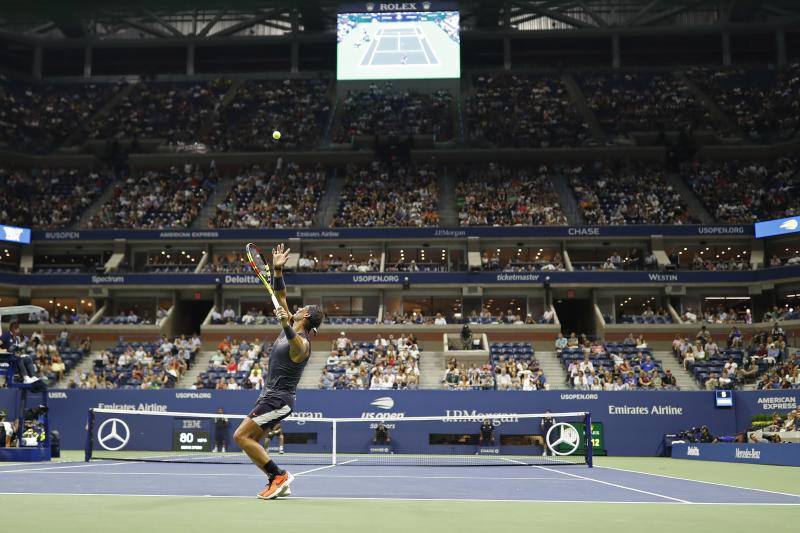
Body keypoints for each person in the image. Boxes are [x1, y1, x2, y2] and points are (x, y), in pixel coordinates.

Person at [233, 244, 324, 500]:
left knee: (240, 435)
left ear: (305, 315)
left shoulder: (302, 342)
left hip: (278, 399)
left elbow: (296, 343)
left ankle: (279, 475)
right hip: (271, 398)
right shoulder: (293, 322)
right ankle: (277, 479)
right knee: (250, 440)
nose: (296, 307)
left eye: (302, 308)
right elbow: (280, 294)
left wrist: (285, 323)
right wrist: (276, 269)